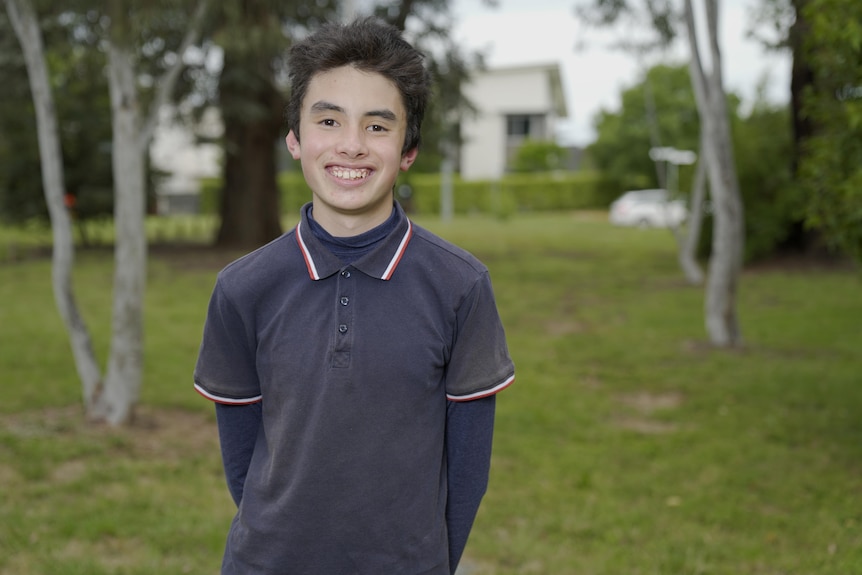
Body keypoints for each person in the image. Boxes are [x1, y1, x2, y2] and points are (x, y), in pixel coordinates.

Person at [194, 17, 515, 575]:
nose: (350, 145)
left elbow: (468, 470)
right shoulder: (242, 288)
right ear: (295, 138)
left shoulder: (460, 286)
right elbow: (241, 460)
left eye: (377, 126)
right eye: (328, 120)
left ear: (408, 149)